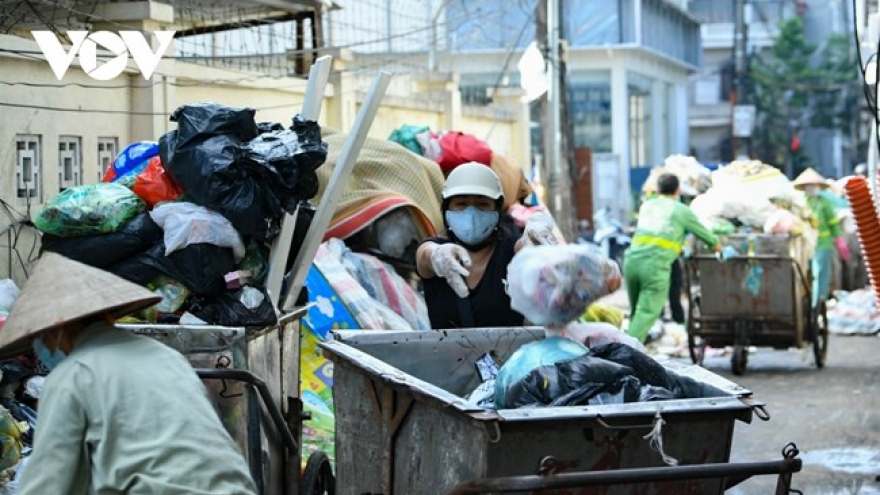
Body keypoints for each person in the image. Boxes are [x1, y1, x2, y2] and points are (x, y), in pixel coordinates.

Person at [0, 253, 258, 495]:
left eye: (39, 338)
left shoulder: (74, 374)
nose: (40, 348)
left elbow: (49, 484)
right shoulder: (166, 356)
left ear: (57, 329)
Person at [416, 162, 557, 329]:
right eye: (461, 204)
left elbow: (523, 247)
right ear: (447, 211)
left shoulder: (509, 250)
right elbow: (426, 255)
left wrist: (533, 240)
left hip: (510, 355)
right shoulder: (438, 251)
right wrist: (436, 255)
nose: (471, 214)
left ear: (497, 211)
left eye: (482, 204)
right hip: (445, 354)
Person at [624, 173, 722, 343]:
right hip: (654, 266)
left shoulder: (647, 206)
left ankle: (629, 348)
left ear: (657, 189)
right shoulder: (681, 210)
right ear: (678, 190)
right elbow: (706, 236)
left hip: (631, 263)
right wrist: (721, 248)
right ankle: (625, 355)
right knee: (646, 313)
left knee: (636, 314)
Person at [792, 168, 851, 307]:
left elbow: (833, 223)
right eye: (808, 186)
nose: (811, 189)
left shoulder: (825, 202)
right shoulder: (801, 203)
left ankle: (818, 304)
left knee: (820, 275)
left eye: (814, 186)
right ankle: (805, 304)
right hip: (805, 244)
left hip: (823, 243)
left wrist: (840, 240)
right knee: (805, 274)